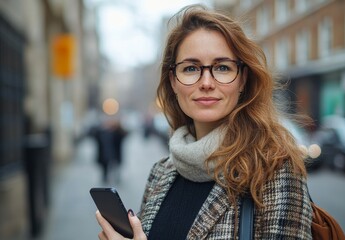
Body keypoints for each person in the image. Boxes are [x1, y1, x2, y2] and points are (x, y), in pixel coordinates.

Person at [95, 5, 313, 240]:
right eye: (190, 68)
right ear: (173, 82)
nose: (206, 82)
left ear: (242, 80)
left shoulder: (275, 169)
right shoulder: (160, 172)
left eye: (222, 67)